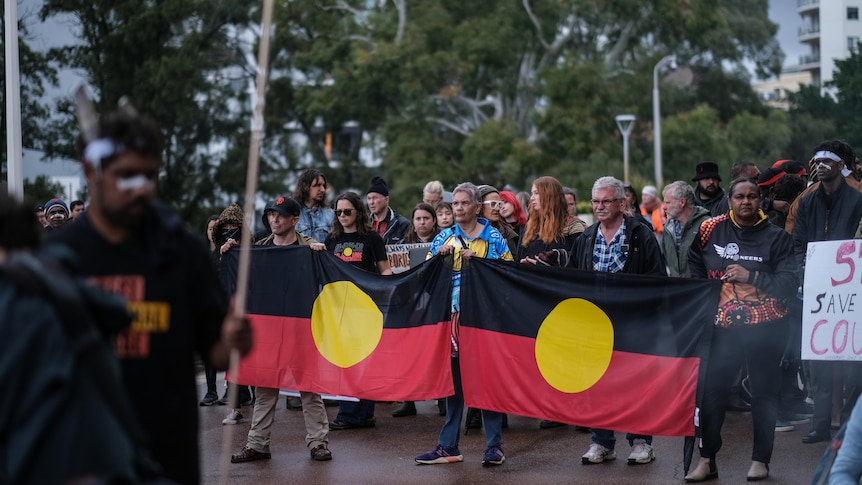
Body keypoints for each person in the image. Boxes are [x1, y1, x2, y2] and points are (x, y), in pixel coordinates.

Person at [45, 108, 252, 485]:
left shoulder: (182, 250)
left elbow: (218, 353)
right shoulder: (57, 259)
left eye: (149, 175)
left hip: (166, 461)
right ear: (91, 173)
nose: (140, 187)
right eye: (126, 175)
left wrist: (237, 337)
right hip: (80, 461)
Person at [686, 177, 797, 482]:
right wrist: (705, 290)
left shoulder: (776, 237)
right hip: (722, 327)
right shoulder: (711, 228)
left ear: (760, 200)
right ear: (731, 200)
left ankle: (760, 459)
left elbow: (789, 285)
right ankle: (707, 459)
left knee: (763, 394)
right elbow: (694, 258)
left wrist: (753, 276)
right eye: (739, 197)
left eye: (752, 196)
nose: (745, 202)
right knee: (711, 394)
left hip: (767, 327)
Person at [415, 182, 513, 467]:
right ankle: (448, 446)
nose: (458, 208)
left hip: (485, 319)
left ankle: (494, 446)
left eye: (463, 203)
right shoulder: (443, 238)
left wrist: (480, 260)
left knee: (486, 380)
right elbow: (424, 276)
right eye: (455, 203)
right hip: (453, 318)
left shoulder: (494, 237)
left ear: (476, 206)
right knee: (454, 382)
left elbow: (509, 273)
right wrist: (439, 261)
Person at [231, 196, 335, 464]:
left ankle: (318, 443)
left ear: (294, 220)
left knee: (309, 388)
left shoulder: (310, 247)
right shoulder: (259, 248)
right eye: (270, 215)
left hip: (301, 328)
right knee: (265, 387)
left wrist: (321, 254)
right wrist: (232, 251)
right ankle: (257, 444)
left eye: (279, 215)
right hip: (270, 330)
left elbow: (329, 280)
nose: (273, 220)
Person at [569, 176, 665, 466]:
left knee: (636, 383)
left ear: (622, 204)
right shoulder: (586, 237)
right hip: (595, 325)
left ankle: (640, 442)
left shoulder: (641, 234)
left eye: (606, 201)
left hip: (634, 323)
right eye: (596, 201)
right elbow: (573, 277)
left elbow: (657, 279)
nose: (600, 206)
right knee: (599, 384)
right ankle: (602, 442)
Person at [793, 140, 862, 446]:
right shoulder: (807, 202)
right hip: (818, 291)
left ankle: (849, 426)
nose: (819, 165)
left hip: (850, 291)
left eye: (827, 160)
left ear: (840, 166)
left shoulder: (858, 200)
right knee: (819, 363)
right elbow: (798, 245)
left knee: (852, 366)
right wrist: (804, 272)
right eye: (816, 160)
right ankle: (820, 425)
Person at [325, 191, 392, 430]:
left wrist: (392, 289)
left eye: (347, 211)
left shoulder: (372, 238)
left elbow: (384, 270)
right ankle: (348, 413)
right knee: (345, 360)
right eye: (338, 212)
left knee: (365, 360)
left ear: (358, 212)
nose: (342, 216)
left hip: (366, 308)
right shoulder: (331, 239)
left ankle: (364, 413)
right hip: (340, 309)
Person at [212, 203, 256, 422]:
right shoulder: (220, 253)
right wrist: (224, 256)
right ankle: (236, 407)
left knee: (255, 358)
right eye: (226, 227)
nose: (230, 230)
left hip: (254, 311)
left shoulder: (255, 250)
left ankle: (256, 400)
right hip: (231, 313)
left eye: (233, 226)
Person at [661, 181, 711, 278]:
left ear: (682, 202)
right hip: (675, 289)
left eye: (668, 202)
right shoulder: (668, 227)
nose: (664, 207)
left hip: (699, 289)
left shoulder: (706, 225)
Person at [199, 214, 223, 407]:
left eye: (217, 228)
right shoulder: (200, 253)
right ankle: (211, 391)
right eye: (210, 228)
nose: (213, 232)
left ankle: (243, 393)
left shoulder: (228, 251)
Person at [293, 168, 334, 244]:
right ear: (305, 186)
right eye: (317, 185)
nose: (322, 190)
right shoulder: (293, 213)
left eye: (323, 186)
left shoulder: (330, 214)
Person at [367, 176, 410, 244]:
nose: (371, 202)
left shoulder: (402, 224)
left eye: (375, 198)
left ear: (386, 200)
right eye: (369, 199)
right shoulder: (364, 223)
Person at [478, 184, 519, 253]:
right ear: (479, 206)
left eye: (499, 204)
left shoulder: (507, 234)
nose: (497, 208)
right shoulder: (462, 233)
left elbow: (511, 263)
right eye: (492, 204)